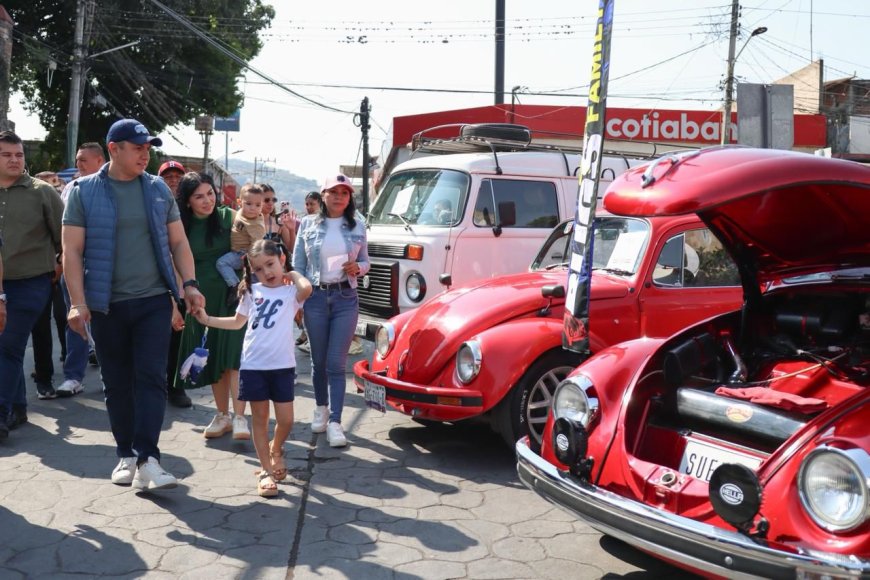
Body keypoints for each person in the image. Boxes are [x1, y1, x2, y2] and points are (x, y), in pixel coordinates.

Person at [62, 118, 204, 490]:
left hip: (154, 301)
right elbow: (71, 253)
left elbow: (178, 244)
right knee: (117, 382)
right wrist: (77, 303)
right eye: (137, 147)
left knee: (151, 379)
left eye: (148, 147)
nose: (146, 153)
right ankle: (126, 454)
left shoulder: (158, 190)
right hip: (106, 305)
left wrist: (188, 285)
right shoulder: (81, 192)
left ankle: (149, 458)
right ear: (114, 149)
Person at [194, 240, 312, 496]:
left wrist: (290, 272)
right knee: (259, 419)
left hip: (282, 366)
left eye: (270, 264)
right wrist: (208, 320)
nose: (266, 272)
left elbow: (307, 288)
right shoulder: (251, 292)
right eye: (259, 269)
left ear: (280, 259)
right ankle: (266, 472)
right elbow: (237, 323)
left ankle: (276, 448)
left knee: (286, 420)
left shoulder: (290, 292)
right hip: (253, 366)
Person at [292, 173, 369, 447]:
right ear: (323, 195)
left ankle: (336, 421)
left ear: (350, 198)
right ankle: (321, 408)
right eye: (333, 192)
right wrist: (297, 300)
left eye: (344, 192)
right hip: (315, 297)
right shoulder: (307, 224)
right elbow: (297, 265)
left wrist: (357, 268)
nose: (339, 197)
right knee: (318, 362)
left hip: (345, 298)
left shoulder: (358, 225)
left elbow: (365, 261)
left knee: (337, 363)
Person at [174, 172, 249, 440]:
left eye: (210, 193)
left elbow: (253, 243)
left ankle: (241, 417)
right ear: (187, 201)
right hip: (198, 297)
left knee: (234, 357)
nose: (207, 200)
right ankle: (222, 415)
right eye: (198, 196)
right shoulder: (179, 224)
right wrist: (177, 300)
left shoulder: (229, 216)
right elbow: (174, 264)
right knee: (212, 355)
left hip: (233, 295)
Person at [0, 131, 65, 439]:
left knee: (7, 345)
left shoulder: (42, 192)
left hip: (31, 283)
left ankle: (1, 415)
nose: (14, 160)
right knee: (8, 350)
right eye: (6, 155)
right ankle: (17, 407)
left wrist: (61, 264)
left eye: (19, 154)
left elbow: (65, 236)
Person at [54, 143, 107, 398]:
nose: (79, 165)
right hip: (72, 265)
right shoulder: (70, 189)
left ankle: (111, 373)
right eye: (77, 160)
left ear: (100, 160)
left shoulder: (113, 187)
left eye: (84, 160)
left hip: (101, 267)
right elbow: (64, 231)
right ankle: (73, 377)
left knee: (106, 321)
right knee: (74, 320)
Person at [215, 183, 265, 305]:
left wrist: (248, 260)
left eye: (258, 205)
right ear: (239, 202)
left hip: (243, 255)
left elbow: (257, 246)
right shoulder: (239, 213)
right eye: (248, 204)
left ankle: (234, 285)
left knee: (221, 263)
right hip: (236, 251)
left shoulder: (256, 225)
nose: (253, 208)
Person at [294, 191, 321, 349]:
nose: (309, 207)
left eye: (312, 204)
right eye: (307, 204)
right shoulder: (305, 222)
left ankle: (306, 334)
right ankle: (305, 333)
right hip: (309, 280)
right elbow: (299, 256)